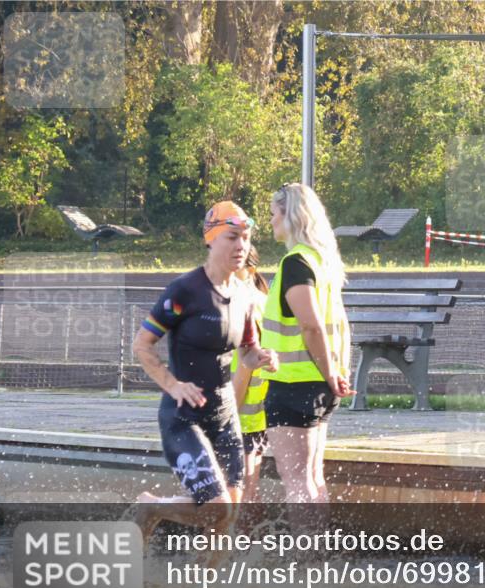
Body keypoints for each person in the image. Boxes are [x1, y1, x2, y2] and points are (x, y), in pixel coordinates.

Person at [131, 201, 278, 544]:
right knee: (217, 508)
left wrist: (261, 357)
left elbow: (247, 349)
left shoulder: (244, 294)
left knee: (226, 518)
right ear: (210, 239)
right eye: (232, 237)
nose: (241, 246)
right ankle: (151, 508)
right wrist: (173, 384)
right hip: (184, 418)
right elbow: (142, 344)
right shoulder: (185, 291)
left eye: (246, 237)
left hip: (226, 416)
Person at [261, 183, 353, 511]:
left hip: (294, 384)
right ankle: (318, 557)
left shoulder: (295, 263)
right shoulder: (322, 262)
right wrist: (334, 375)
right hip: (319, 384)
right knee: (314, 478)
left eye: (274, 214)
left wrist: (330, 375)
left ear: (291, 217)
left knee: (298, 483)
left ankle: (303, 561)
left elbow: (311, 326)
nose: (270, 221)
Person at [230, 243, 269, 513]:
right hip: (258, 414)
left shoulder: (246, 305)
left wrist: (228, 410)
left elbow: (245, 366)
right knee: (246, 494)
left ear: (250, 269)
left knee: (233, 496)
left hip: (241, 411)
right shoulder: (263, 301)